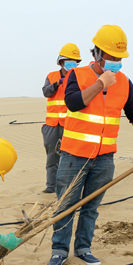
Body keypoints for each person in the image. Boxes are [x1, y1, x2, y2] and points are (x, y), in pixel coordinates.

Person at [47, 25, 133, 265]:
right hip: (74, 156)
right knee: (66, 204)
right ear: (96, 53)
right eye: (111, 57)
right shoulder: (79, 75)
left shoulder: (125, 83)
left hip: (104, 158)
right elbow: (73, 103)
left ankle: (83, 248)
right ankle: (59, 250)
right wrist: (99, 84)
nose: (116, 62)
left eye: (119, 58)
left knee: (91, 206)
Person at [41, 43, 82, 193]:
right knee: (52, 156)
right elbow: (46, 92)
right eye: (68, 60)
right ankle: (51, 187)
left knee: (69, 157)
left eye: (75, 61)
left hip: (70, 125)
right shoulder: (52, 76)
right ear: (61, 61)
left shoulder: (79, 77)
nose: (72, 64)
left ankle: (66, 187)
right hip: (51, 125)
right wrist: (57, 84)